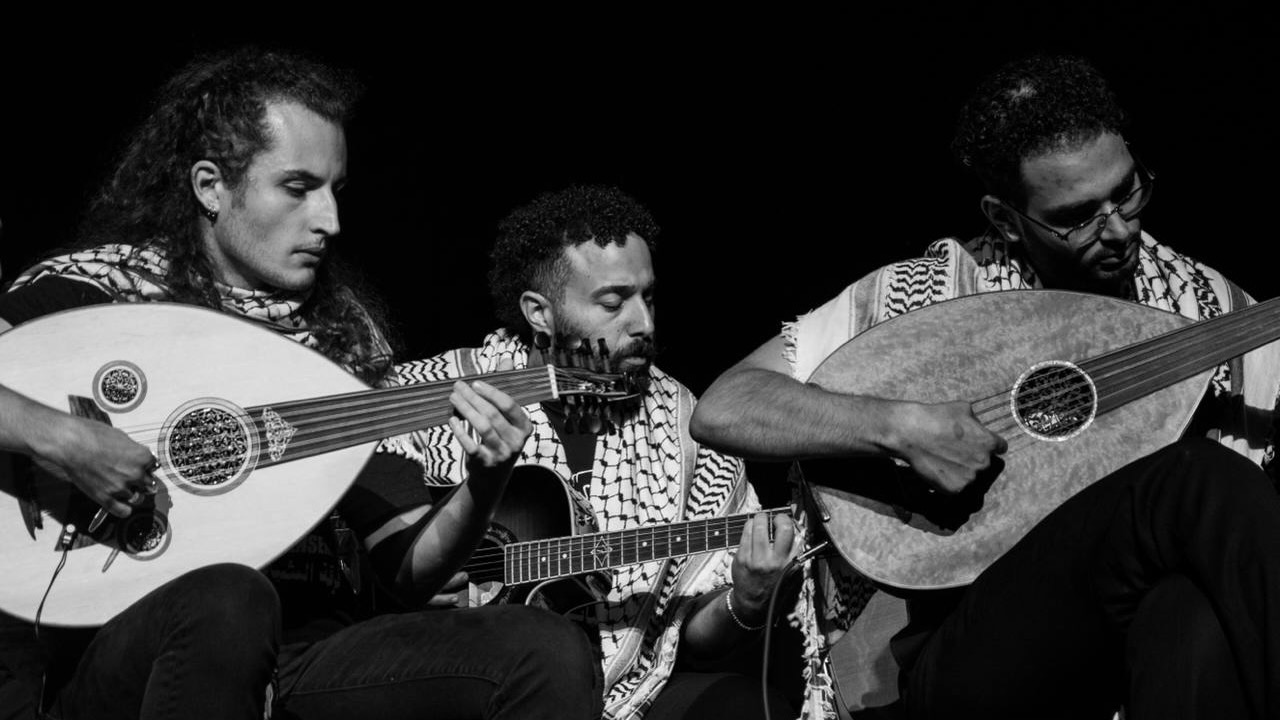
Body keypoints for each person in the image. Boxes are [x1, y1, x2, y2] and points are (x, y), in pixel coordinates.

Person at [0, 47, 599, 720]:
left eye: (335, 191)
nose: (329, 222)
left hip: (305, 656)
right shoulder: (94, 296)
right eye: (297, 188)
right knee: (229, 598)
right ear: (210, 187)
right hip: (129, 649)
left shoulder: (337, 342)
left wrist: (486, 481)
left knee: (545, 650)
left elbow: (409, 568)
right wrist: (62, 438)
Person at [689, 55, 1280, 720]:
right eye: (1078, 215)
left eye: (1128, 192)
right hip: (960, 649)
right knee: (1192, 480)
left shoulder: (1206, 307)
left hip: (1122, 641)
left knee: (1190, 616)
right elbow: (726, 406)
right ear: (1005, 218)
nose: (1120, 230)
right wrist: (899, 426)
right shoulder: (923, 297)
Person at [377, 185, 799, 720]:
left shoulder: (689, 424)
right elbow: (365, 531)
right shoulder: (437, 392)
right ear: (540, 312)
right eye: (613, 301)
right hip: (465, 687)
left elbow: (691, 638)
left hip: (625, 694)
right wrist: (405, 566)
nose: (644, 323)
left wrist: (747, 601)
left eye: (648, 296)